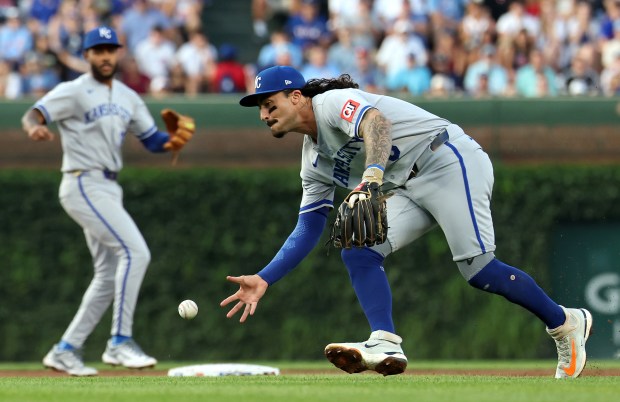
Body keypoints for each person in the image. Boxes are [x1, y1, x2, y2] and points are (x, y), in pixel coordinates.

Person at [220, 65, 592, 379]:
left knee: (479, 271)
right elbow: (309, 226)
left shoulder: (331, 103)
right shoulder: (313, 161)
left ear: (297, 97)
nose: (264, 115)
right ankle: (384, 339)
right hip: (409, 183)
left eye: (270, 104)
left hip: (447, 158)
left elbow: (377, 124)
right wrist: (265, 277)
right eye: (261, 109)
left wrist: (371, 177)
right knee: (358, 248)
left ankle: (564, 323)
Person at [21, 26, 193, 376]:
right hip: (82, 180)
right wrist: (32, 127)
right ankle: (119, 342)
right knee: (136, 252)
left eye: (110, 49)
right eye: (97, 50)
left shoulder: (129, 96)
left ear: (118, 53)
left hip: (108, 187)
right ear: (85, 55)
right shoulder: (72, 91)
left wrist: (175, 138)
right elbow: (34, 113)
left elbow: (150, 140)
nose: (104, 56)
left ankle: (65, 350)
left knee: (107, 272)